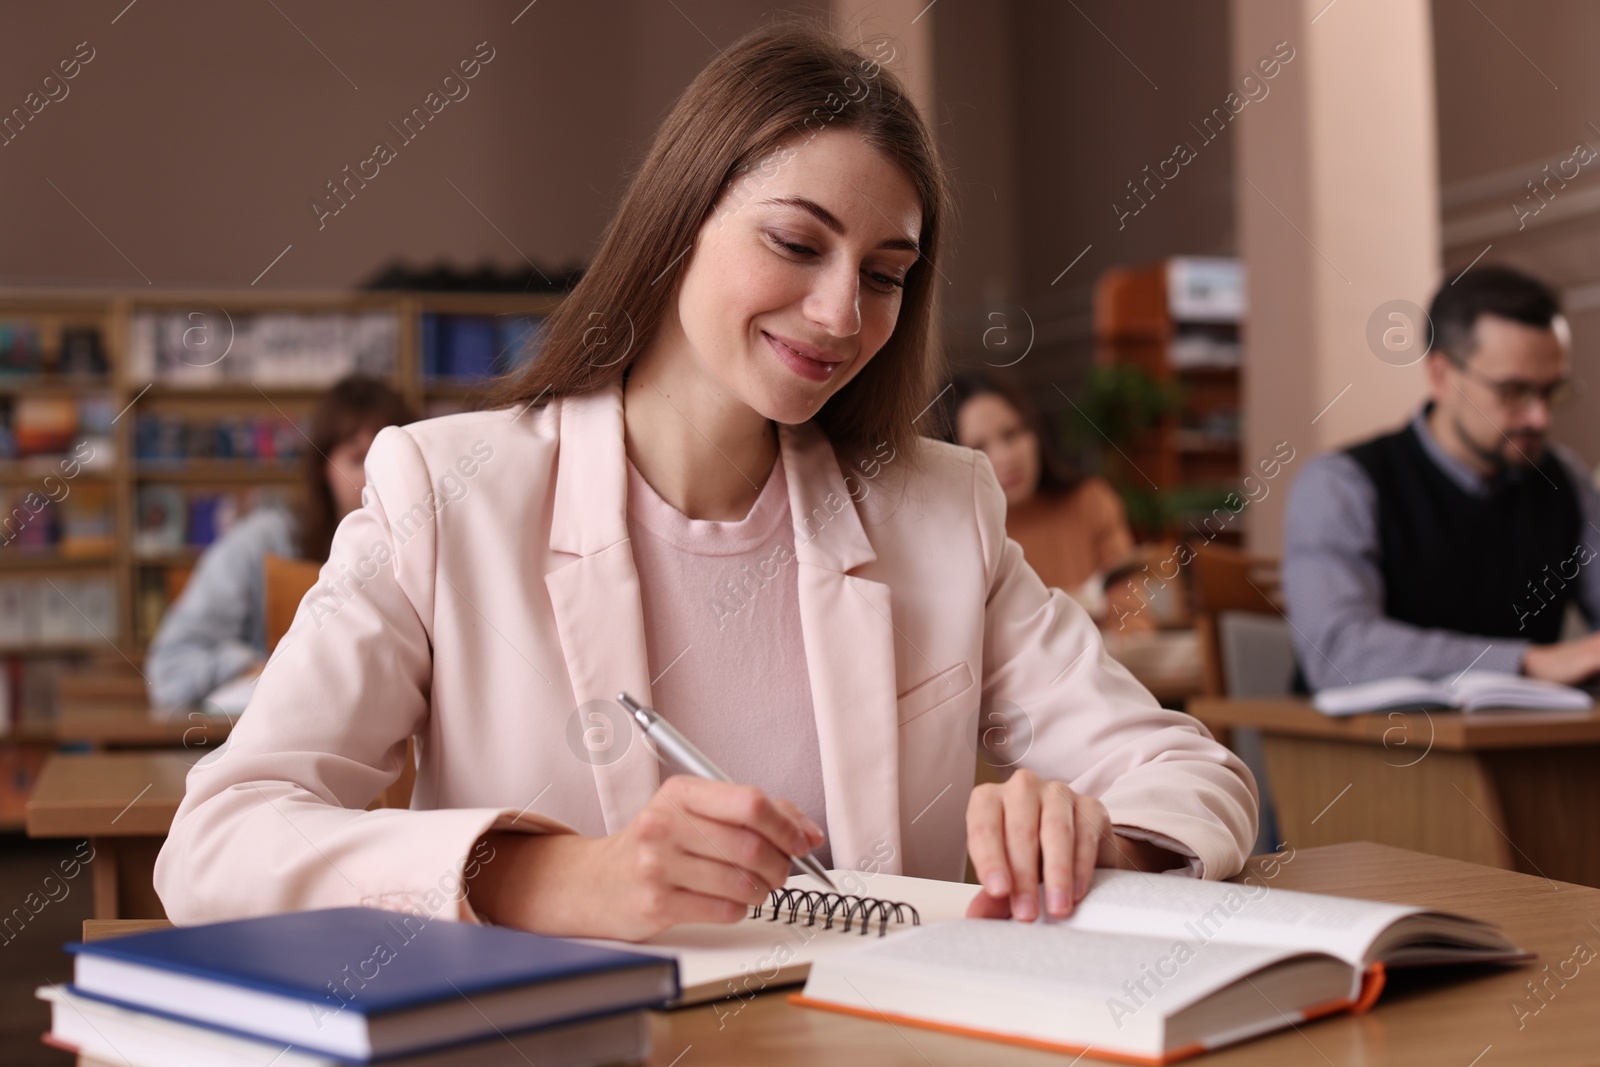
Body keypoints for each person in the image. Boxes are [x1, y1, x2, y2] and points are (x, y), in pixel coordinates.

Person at [155, 21, 1256, 941]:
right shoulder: (446, 490)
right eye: (794, 242)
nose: (839, 314)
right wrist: (549, 877)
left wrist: (1095, 833)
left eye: (884, 276)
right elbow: (218, 841)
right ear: (679, 223)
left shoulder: (939, 509)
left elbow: (1182, 769)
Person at [1284, 265, 1600, 692]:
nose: (1539, 416)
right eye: (1513, 392)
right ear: (1441, 377)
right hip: (1359, 752)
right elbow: (1340, 650)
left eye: (1550, 392)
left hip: (1519, 745)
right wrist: (1529, 662)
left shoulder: (1568, 482)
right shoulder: (1342, 484)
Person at [144, 375, 416, 708]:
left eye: (388, 461)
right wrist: (252, 668)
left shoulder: (422, 552)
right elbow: (167, 670)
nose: (376, 477)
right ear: (322, 469)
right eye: (358, 460)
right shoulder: (264, 543)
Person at [945, 371, 1143, 625]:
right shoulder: (956, 539)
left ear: (1034, 432)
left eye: (1011, 434)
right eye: (979, 449)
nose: (1006, 457)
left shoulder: (1090, 501)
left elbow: (1134, 617)